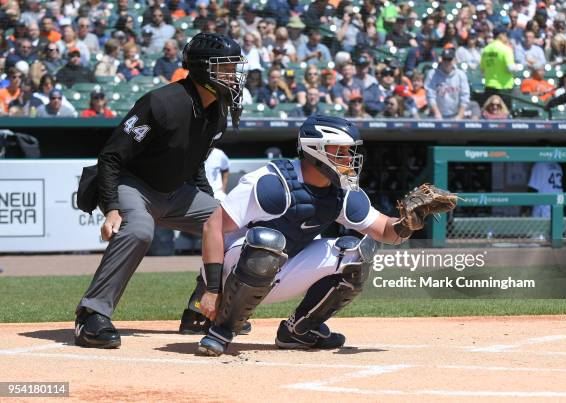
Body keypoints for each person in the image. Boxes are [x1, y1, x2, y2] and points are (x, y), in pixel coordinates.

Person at [181, 115, 448, 355]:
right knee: (268, 241)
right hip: (232, 272)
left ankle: (298, 331)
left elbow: (385, 232)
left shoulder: (341, 191)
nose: (348, 158)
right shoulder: (271, 182)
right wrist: (212, 290)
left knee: (357, 251)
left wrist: (408, 222)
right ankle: (222, 330)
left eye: (349, 151)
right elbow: (212, 227)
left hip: (280, 272)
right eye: (340, 151)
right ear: (316, 150)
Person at [73, 33, 247, 349]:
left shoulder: (217, 109)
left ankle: (200, 310)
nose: (234, 75)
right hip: (133, 185)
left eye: (235, 67)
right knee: (139, 230)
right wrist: (112, 204)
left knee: (231, 224)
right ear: (204, 69)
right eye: (226, 67)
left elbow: (193, 163)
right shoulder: (161, 103)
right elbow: (111, 156)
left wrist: (214, 205)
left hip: (175, 192)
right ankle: (91, 316)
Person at [480, 26, 520, 110]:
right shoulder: (505, 49)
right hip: (504, 87)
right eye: (506, 35)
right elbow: (510, 68)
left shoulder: (486, 50)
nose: (507, 38)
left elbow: (482, 70)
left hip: (489, 86)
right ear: (501, 35)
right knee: (504, 113)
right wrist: (519, 67)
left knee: (489, 113)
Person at [424, 48, 471, 119]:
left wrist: (459, 116)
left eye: (449, 60)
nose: (447, 62)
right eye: (444, 59)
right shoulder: (432, 74)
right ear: (441, 60)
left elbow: (465, 96)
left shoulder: (461, 74)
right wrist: (437, 113)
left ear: (454, 60)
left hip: (456, 114)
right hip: (436, 114)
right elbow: (430, 96)